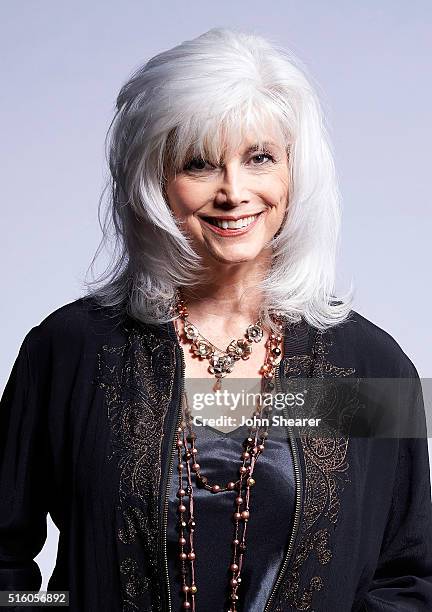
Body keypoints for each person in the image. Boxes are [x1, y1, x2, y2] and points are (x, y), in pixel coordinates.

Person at [0, 27, 431, 612]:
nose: (234, 191)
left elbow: (408, 579)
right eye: (199, 164)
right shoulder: (68, 350)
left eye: (259, 158)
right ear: (155, 180)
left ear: (294, 175)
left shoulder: (370, 371)